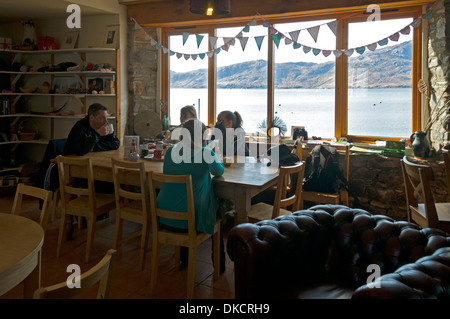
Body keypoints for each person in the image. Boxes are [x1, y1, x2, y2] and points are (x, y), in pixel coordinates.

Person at [157, 118, 225, 271]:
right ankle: (220, 268)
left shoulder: (170, 152)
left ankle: (184, 259)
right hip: (190, 221)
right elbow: (219, 171)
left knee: (185, 198)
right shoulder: (205, 153)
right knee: (219, 212)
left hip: (165, 217)